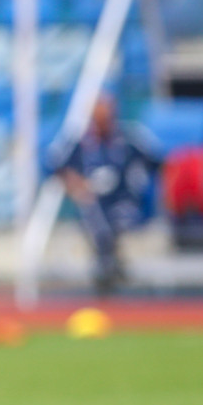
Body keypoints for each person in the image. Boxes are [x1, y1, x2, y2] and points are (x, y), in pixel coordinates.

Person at [51, 93, 162, 296]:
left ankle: (109, 265)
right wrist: (79, 186)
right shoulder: (81, 143)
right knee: (94, 216)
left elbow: (157, 161)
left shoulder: (129, 139)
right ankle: (109, 266)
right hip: (94, 204)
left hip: (124, 202)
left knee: (114, 220)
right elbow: (58, 167)